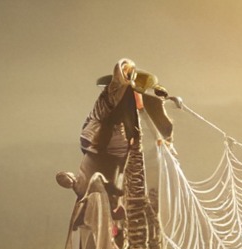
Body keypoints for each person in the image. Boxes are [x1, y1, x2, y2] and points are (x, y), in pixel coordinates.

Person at [55, 59, 174, 215]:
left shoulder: (149, 104)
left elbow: (163, 126)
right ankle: (108, 208)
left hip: (123, 154)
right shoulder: (110, 99)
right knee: (93, 185)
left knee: (124, 186)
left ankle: (118, 210)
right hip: (99, 149)